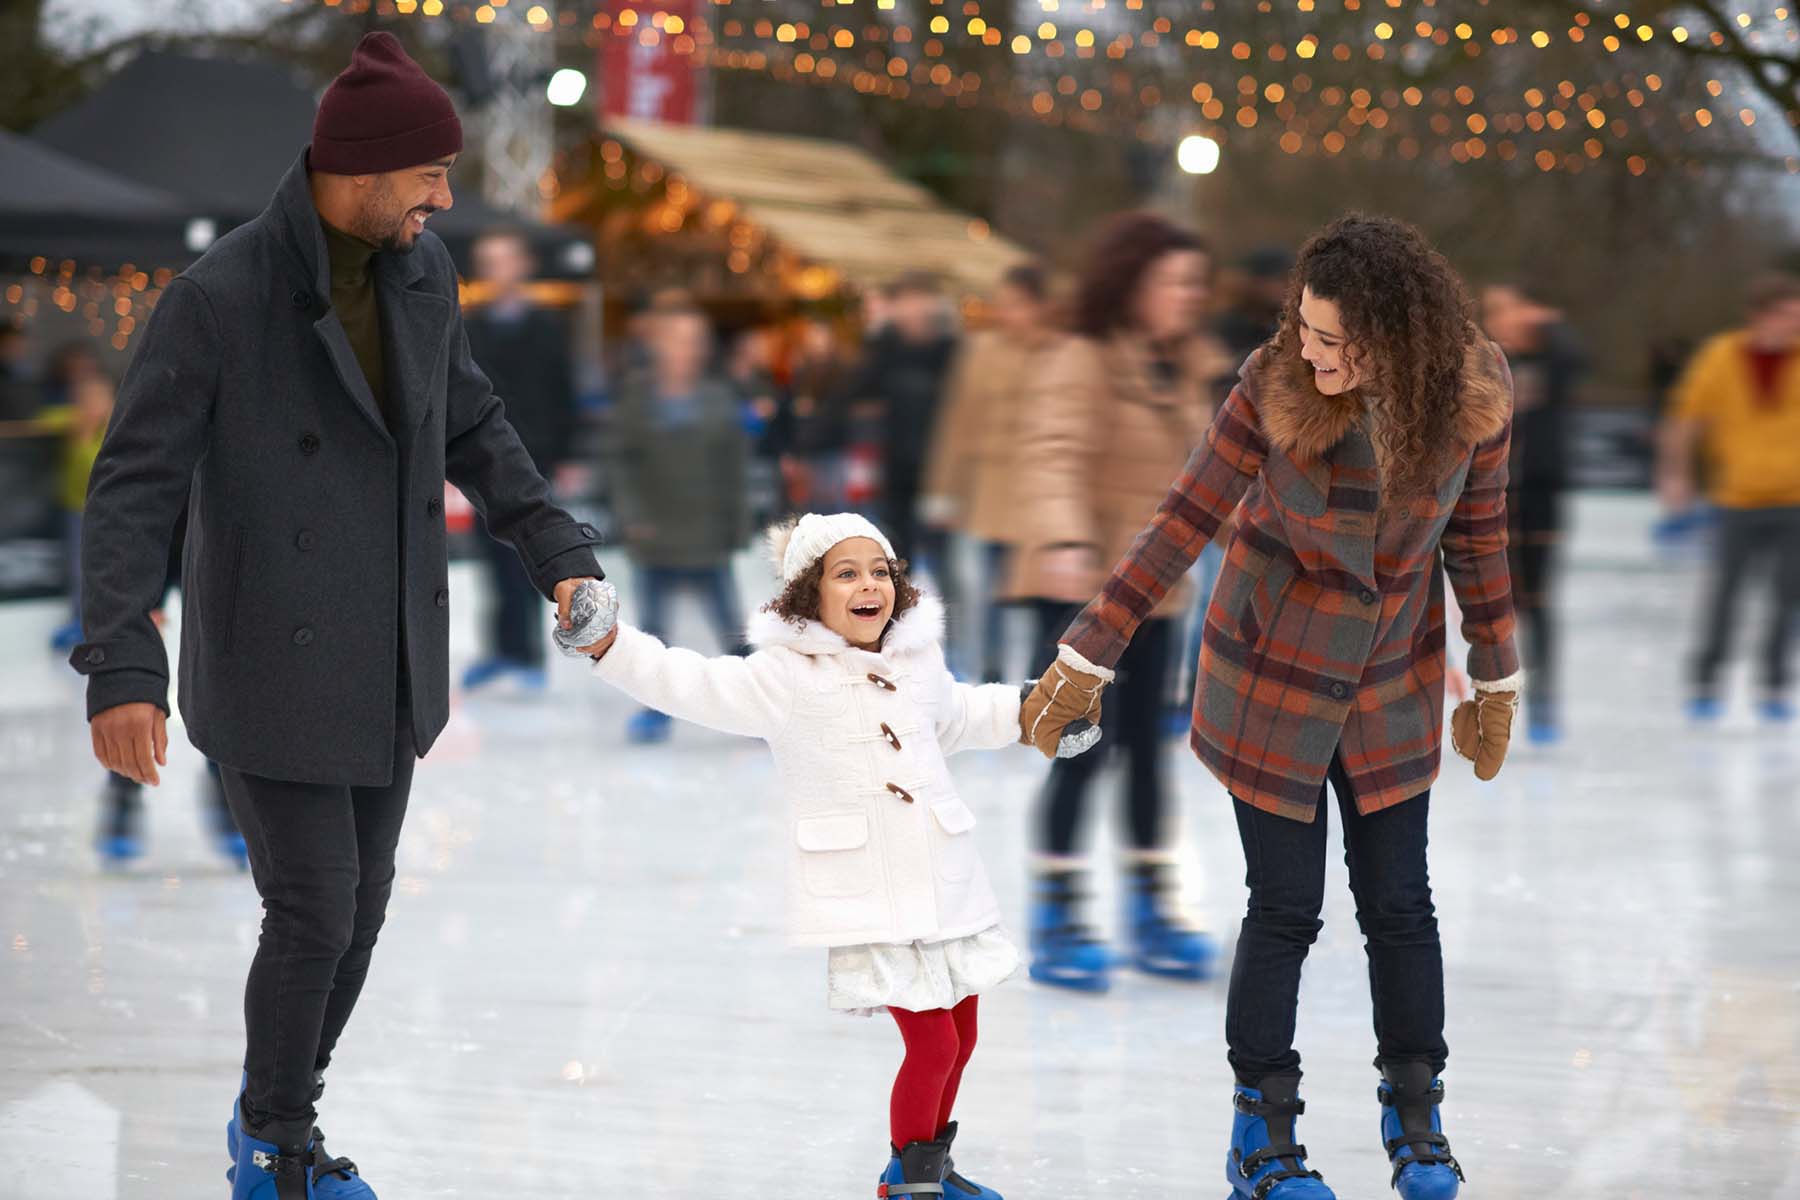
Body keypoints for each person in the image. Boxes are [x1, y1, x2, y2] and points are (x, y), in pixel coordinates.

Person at [69, 33, 607, 1199]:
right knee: (313, 909)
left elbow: (473, 424)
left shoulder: (424, 274)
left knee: (358, 917)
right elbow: (133, 485)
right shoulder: (217, 299)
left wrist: (555, 548)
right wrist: (119, 662)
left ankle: (282, 1123)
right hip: (271, 654)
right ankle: (272, 1144)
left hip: (393, 653)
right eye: (429, 177)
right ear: (361, 170)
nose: (445, 199)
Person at [1022, 213, 1522, 1200]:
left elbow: (1479, 540)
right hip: (1271, 676)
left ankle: (1416, 1114)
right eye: (1305, 326)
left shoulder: (1472, 396)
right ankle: (1262, 1133)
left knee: (1401, 903)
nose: (1312, 350)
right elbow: (1186, 514)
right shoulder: (1273, 383)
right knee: (1286, 907)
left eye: (1336, 339)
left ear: (1396, 338)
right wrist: (1092, 648)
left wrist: (1494, 667)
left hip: (1388, 679)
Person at [583, 512, 1030, 1200]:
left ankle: (926, 1169)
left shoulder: (916, 661)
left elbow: (960, 717)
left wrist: (1030, 709)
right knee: (933, 1044)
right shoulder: (784, 679)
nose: (868, 585)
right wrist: (609, 644)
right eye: (845, 574)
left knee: (963, 1035)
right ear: (807, 594)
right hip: (871, 890)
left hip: (942, 878)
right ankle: (908, 1189)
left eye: (879, 571)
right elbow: (688, 681)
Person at [1008, 212, 1227, 991]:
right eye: (1172, 280)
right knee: (1083, 754)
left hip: (1158, 601)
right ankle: (1059, 915)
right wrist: (1065, 540)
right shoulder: (1083, 358)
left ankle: (1149, 907)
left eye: (1195, 282)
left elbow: (1210, 484)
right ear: (1131, 283)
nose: (1187, 296)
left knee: (1147, 762)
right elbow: (1052, 452)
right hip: (1084, 599)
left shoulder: (1189, 369)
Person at [1657, 272, 1800, 723]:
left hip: (1793, 499)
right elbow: (1684, 419)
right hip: (1736, 498)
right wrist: (1676, 475)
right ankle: (1706, 681)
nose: (1794, 324)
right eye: (1786, 316)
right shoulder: (1722, 357)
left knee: (1787, 596)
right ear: (1760, 316)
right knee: (1725, 595)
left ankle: (1774, 684)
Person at [604, 304, 751, 743]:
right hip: (655, 534)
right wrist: (631, 518)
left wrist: (737, 525)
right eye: (675, 339)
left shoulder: (719, 399)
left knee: (732, 630)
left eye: (692, 341)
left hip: (706, 534)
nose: (683, 350)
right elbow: (621, 465)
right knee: (654, 634)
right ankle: (656, 709)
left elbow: (734, 468)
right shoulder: (637, 397)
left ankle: (758, 706)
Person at [921, 262, 1060, 683]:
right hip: (991, 489)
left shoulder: (1059, 351)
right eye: (1004, 304)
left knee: (1041, 591)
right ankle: (994, 671)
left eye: (1017, 304)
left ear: (1038, 307)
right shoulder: (980, 351)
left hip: (1041, 491)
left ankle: (1043, 674)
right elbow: (957, 422)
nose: (1007, 313)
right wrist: (943, 489)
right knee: (989, 589)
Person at [459, 226, 579, 692]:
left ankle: (527, 654)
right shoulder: (471, 325)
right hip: (481, 458)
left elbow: (563, 393)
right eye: (489, 261)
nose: (497, 270)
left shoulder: (547, 326)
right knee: (491, 556)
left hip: (534, 457)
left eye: (504, 259)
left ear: (523, 264)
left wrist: (566, 453)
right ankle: (501, 650)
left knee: (527, 553)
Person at [1480, 283, 1587, 743]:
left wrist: (1552, 324)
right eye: (1495, 312)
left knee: (1539, 605)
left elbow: (1577, 359)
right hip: (1492, 497)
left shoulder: (1554, 361)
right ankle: (1492, 703)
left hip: (1541, 497)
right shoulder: (1484, 365)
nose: (1504, 320)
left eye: (1511, 310)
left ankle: (1544, 702)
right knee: (1492, 606)